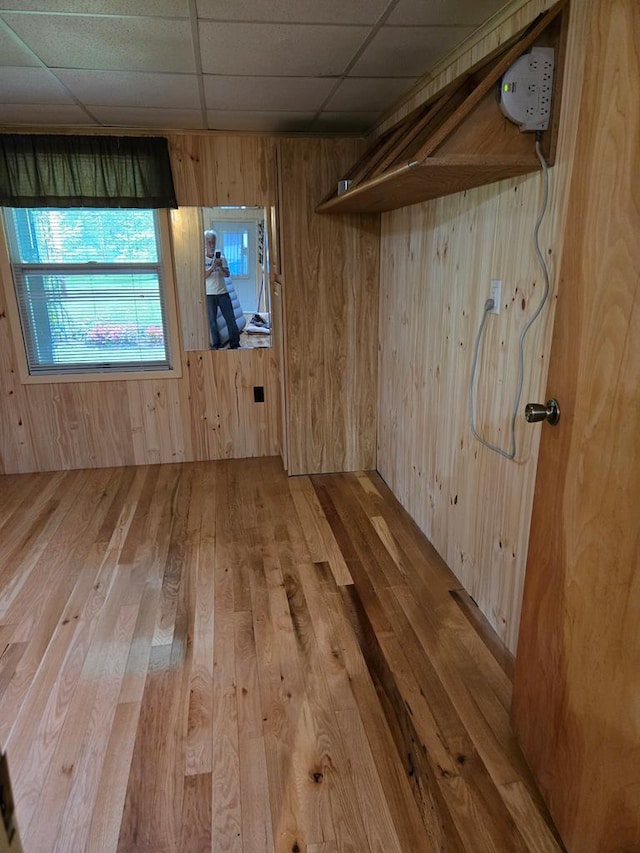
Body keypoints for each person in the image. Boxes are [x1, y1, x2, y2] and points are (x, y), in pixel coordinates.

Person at [204, 229, 241, 350]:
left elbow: (227, 275)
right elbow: (202, 276)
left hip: (223, 293)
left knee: (230, 318)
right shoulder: (201, 260)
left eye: (213, 242)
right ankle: (216, 346)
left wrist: (219, 267)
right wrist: (212, 267)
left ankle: (235, 344)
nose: (212, 245)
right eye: (209, 242)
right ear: (204, 243)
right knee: (212, 322)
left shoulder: (222, 258)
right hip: (209, 295)